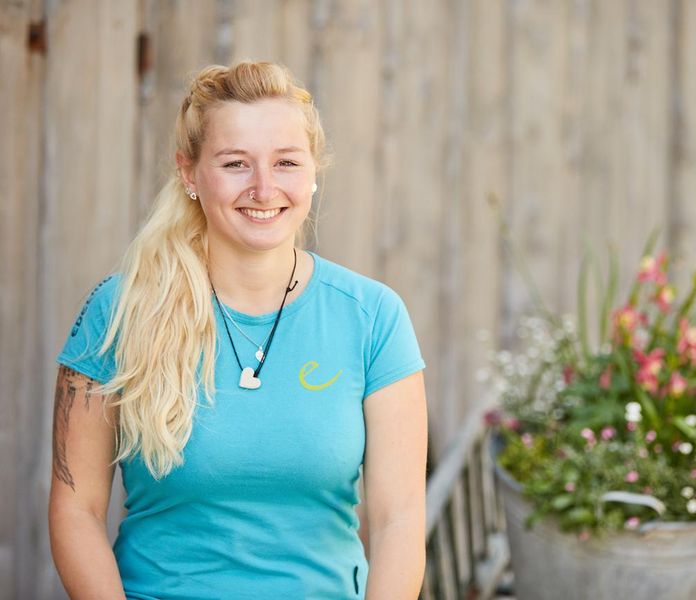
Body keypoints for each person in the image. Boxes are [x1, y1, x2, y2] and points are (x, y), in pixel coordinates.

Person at [48, 61, 428, 599]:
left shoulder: (373, 317)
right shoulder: (119, 311)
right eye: (235, 164)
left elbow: (400, 520)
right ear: (189, 173)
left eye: (286, 162)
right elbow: (76, 509)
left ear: (313, 172)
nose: (264, 188)